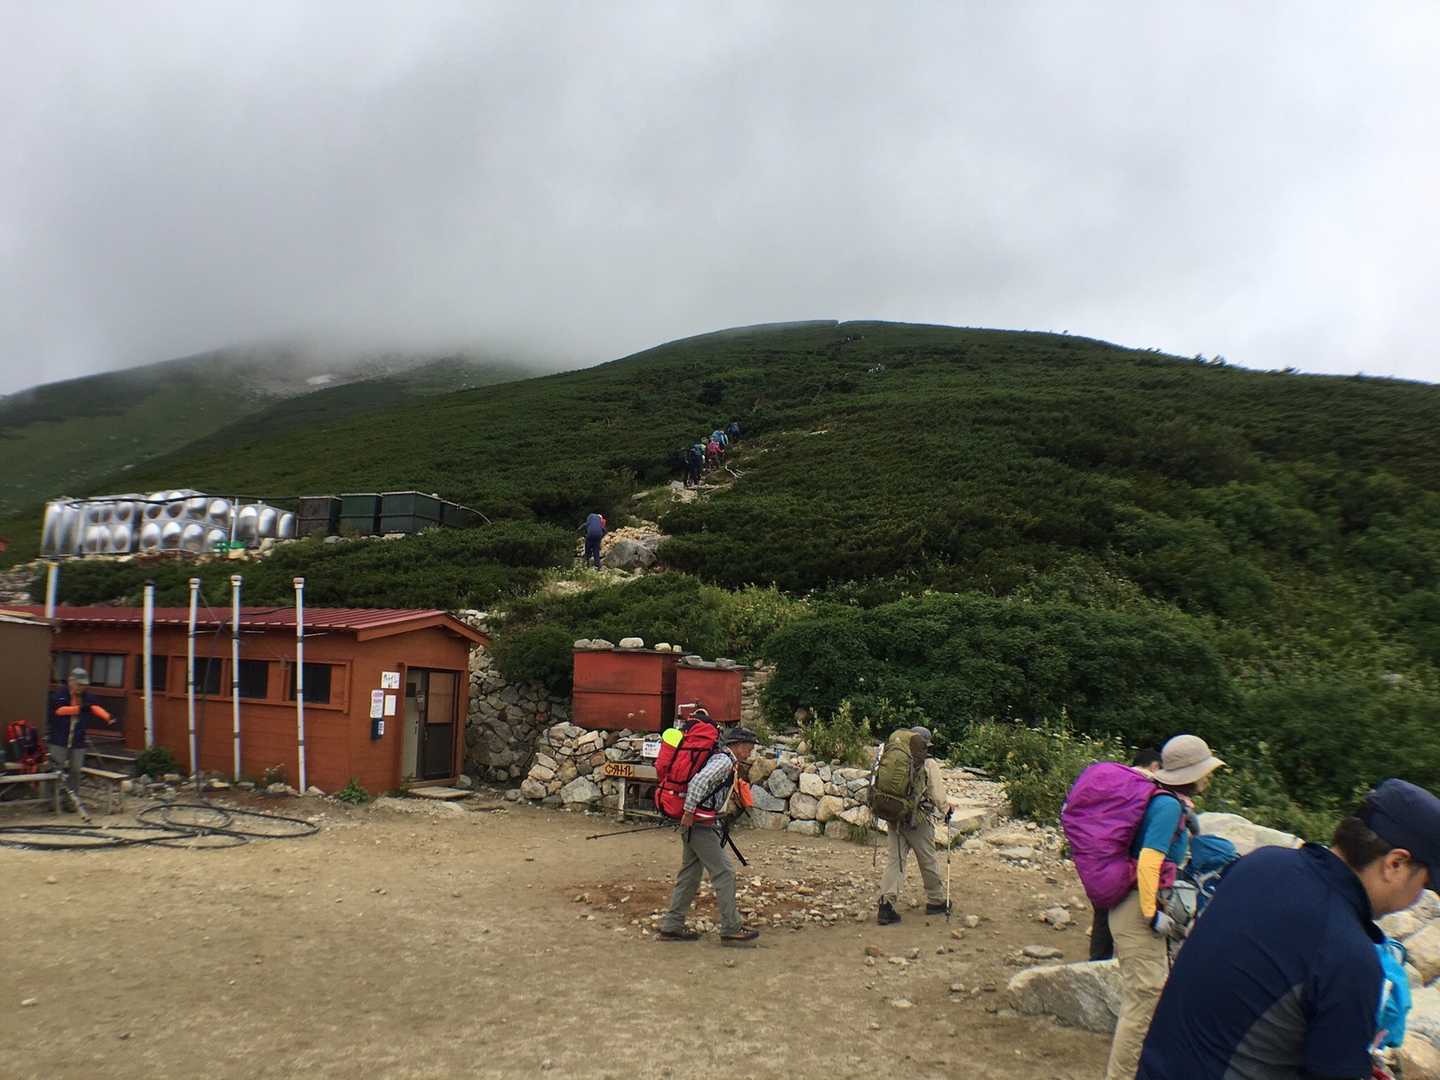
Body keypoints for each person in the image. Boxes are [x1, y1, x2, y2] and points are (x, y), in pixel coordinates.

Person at [1139, 778, 1440, 1080]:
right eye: (1424, 884)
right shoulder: (1349, 956)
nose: (1418, 897)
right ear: (1395, 864)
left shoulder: (1262, 863)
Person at [1104, 734, 1225, 1080]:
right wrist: (1151, 913)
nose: (1209, 777)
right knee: (1144, 999)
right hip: (1136, 910)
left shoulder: (1170, 802)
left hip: (1133, 905)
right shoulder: (1169, 806)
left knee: (1145, 997)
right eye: (1206, 771)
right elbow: (1148, 862)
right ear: (1192, 773)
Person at [658, 726, 762, 946]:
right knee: (725, 873)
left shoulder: (722, 759)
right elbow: (699, 782)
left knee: (690, 875)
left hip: (696, 823)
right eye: (749, 747)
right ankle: (731, 929)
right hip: (700, 825)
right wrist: (689, 812)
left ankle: (672, 926)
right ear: (738, 745)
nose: (750, 752)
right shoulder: (724, 761)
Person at [1090, 747, 1165, 962]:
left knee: (1102, 910)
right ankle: (1111, 963)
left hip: (1097, 854)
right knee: (1123, 911)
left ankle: (1097, 961)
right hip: (1125, 859)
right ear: (1155, 766)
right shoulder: (1145, 787)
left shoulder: (1115, 781)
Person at [877, 726, 952, 924]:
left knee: (895, 861)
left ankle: (886, 906)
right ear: (925, 745)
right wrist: (946, 810)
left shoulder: (895, 758)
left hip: (894, 815)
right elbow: (937, 794)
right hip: (918, 821)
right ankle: (936, 900)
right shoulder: (928, 763)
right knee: (927, 860)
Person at [46, 667, 115, 810]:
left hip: (78, 740)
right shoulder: (59, 695)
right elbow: (59, 711)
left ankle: (72, 802)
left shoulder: (88, 697)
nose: (81, 687)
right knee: (56, 770)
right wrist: (79, 709)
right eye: (79, 684)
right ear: (71, 681)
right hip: (59, 738)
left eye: (84, 685)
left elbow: (95, 708)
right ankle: (53, 802)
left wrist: (108, 717)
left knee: (76, 771)